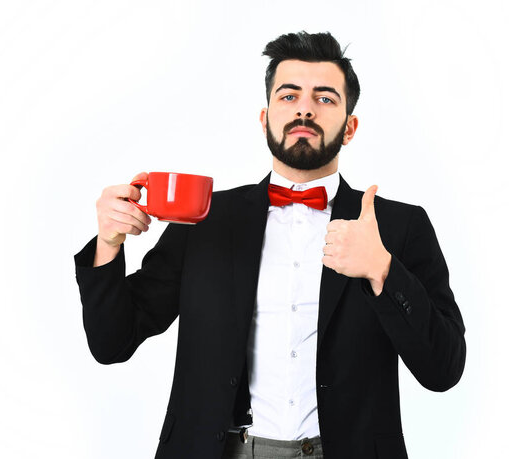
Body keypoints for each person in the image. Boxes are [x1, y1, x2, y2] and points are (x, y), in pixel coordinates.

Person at [74, 31, 466, 459]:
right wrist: (109, 244)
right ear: (264, 119)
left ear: (350, 128)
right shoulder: (205, 219)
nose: (304, 108)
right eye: (289, 95)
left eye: (325, 98)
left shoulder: (399, 226)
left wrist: (383, 271)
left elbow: (443, 370)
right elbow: (112, 343)